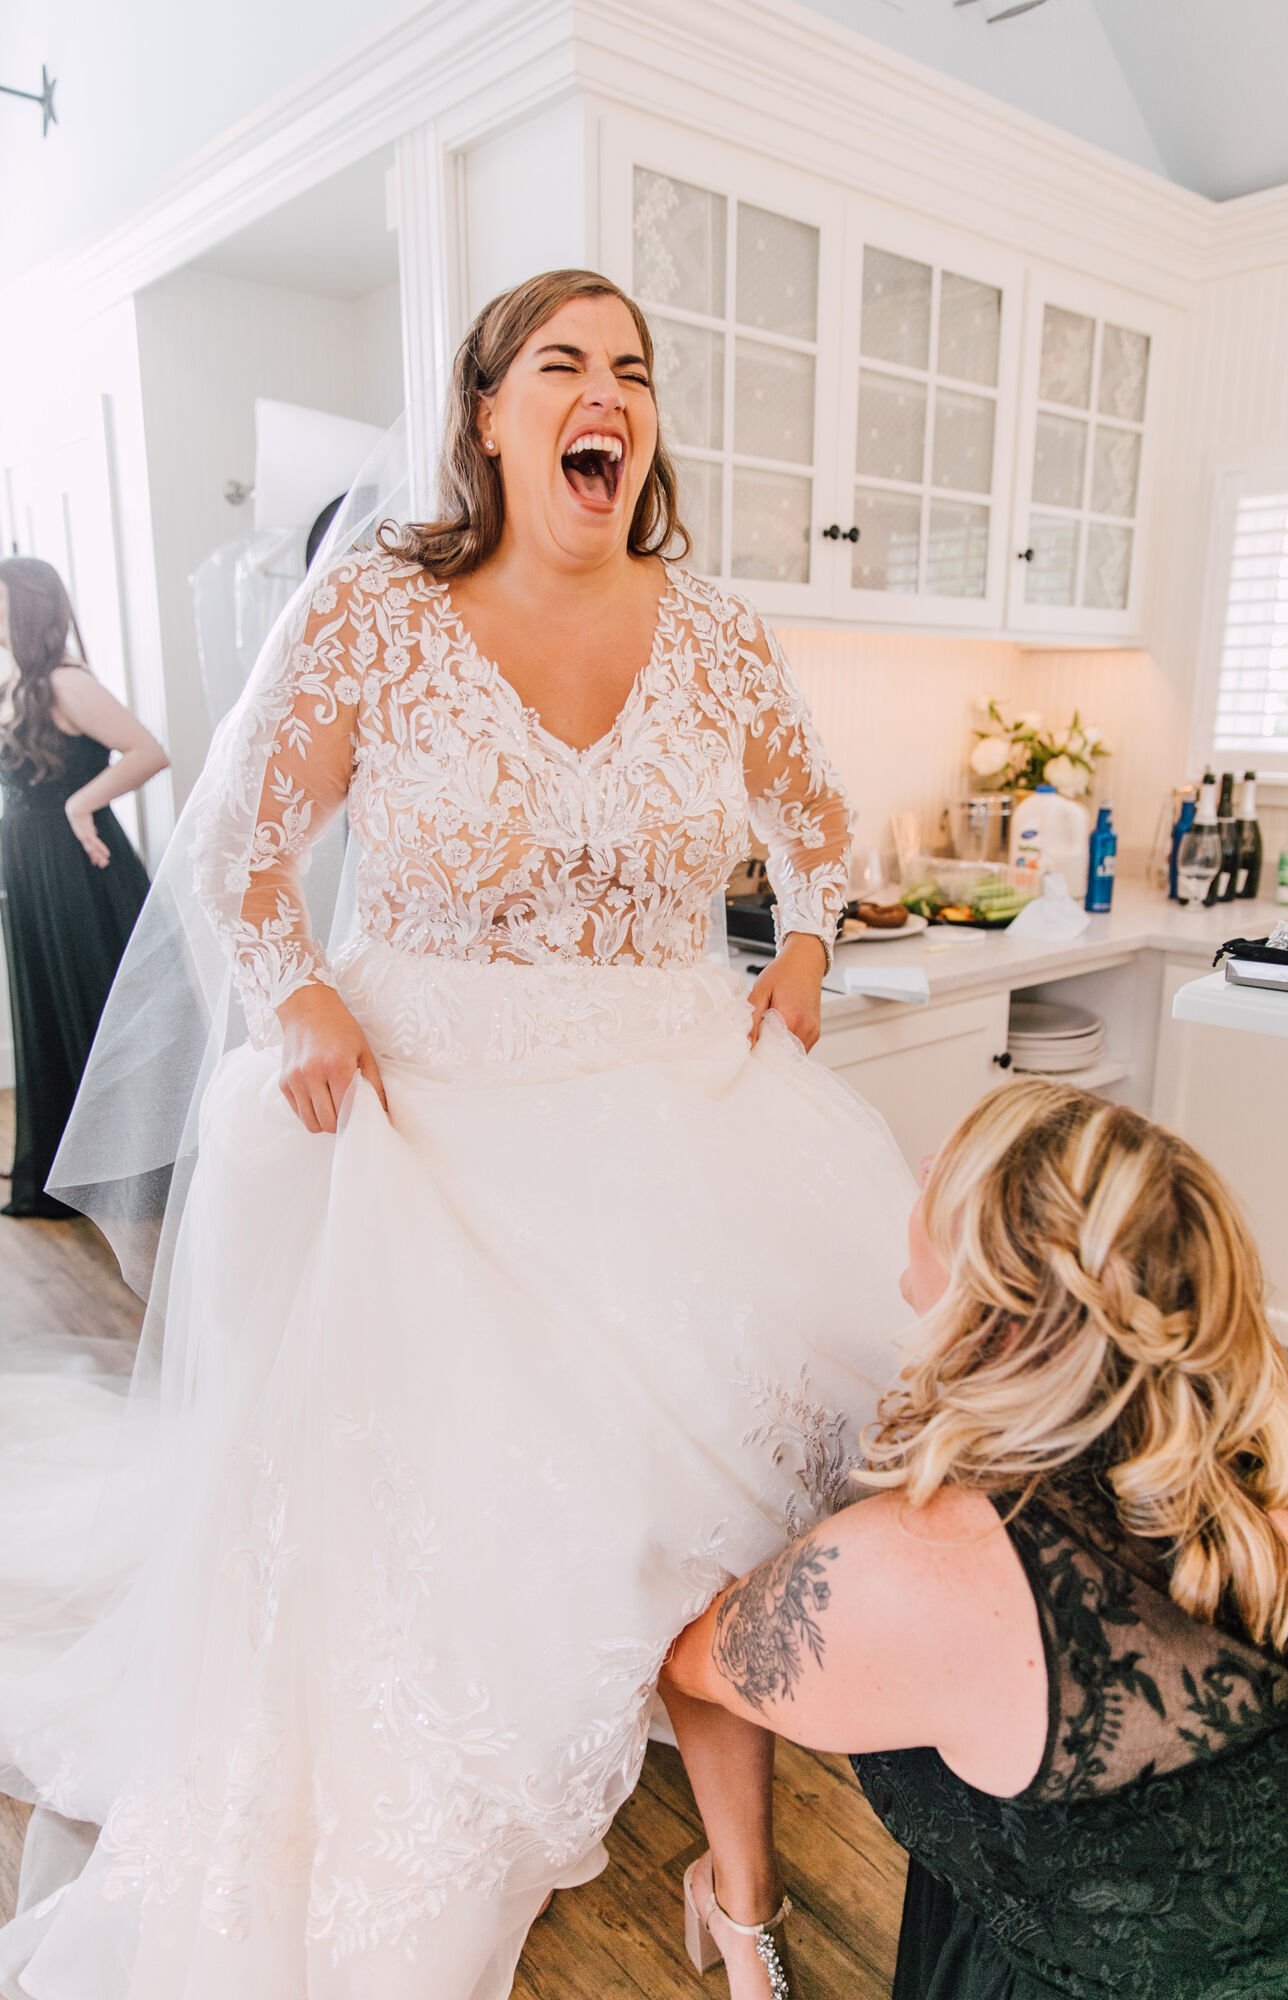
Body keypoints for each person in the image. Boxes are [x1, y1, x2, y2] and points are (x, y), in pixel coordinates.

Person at [0, 269, 919, 1999]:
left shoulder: (712, 628)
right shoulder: (378, 615)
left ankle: (739, 1896)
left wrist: (797, 960)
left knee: (719, 1530)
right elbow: (233, 857)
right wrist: (302, 996)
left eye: (633, 370)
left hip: (678, 1130)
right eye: (564, 364)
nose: (609, 394)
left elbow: (814, 830)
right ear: (487, 411)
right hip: (425, 1141)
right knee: (435, 1562)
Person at [664, 1076, 1288, 1998]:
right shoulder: (1285, 1471)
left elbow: (692, 1659)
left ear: (998, 1301)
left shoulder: (922, 1571)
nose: (920, 1165)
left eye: (948, 1167)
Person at [0, 558, 165, 1216]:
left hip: (74, 866)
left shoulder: (68, 681)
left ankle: (132, 1176)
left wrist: (78, 805)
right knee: (49, 1004)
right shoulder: (21, 681)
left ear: (27, 609)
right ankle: (67, 1174)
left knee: (96, 1007)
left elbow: (148, 750)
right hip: (32, 868)